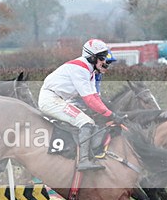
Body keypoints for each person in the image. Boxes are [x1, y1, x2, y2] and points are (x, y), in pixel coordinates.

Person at [38, 39, 125, 171]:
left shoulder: (90, 71)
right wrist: (111, 114)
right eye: (102, 58)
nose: (104, 62)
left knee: (89, 120)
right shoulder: (80, 69)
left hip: (58, 99)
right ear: (92, 57)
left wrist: (109, 113)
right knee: (86, 122)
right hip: (51, 100)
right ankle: (83, 160)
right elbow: (89, 100)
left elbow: (95, 97)